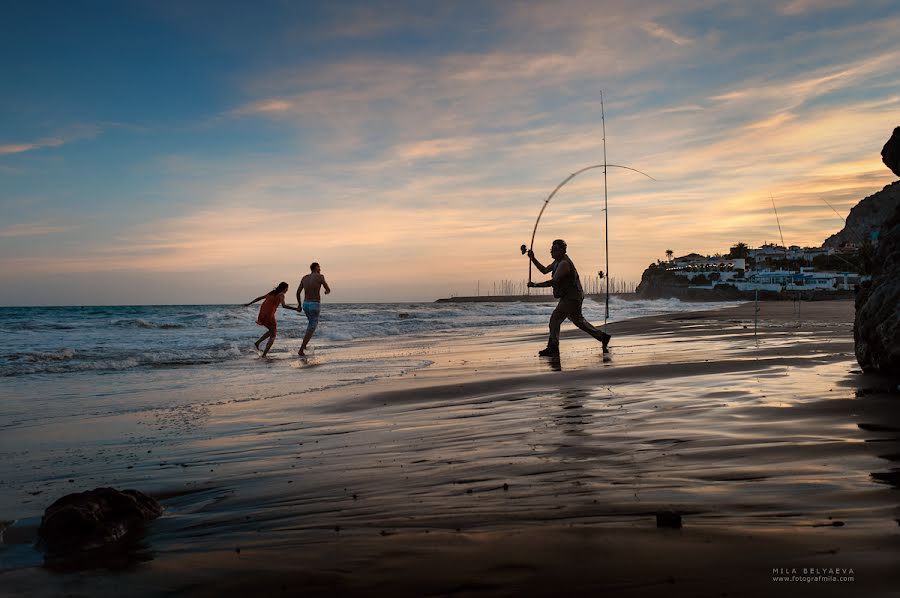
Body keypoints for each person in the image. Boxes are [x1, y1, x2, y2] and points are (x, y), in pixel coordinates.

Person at [527, 239, 611, 357]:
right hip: (571, 296)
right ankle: (602, 337)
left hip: (572, 297)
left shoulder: (564, 264)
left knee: (555, 319)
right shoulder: (557, 262)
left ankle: (553, 347)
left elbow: (553, 281)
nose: (552, 252)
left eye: (555, 250)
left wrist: (535, 285)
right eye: (551, 250)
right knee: (579, 321)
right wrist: (533, 258)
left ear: (562, 251)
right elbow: (544, 270)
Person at [245, 282, 296, 357]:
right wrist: (296, 309)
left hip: (262, 313)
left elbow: (260, 298)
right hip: (269, 315)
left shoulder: (272, 293)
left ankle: (257, 343)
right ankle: (264, 354)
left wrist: (249, 303)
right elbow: (284, 306)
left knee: (271, 331)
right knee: (273, 335)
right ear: (285, 288)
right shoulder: (281, 294)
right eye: (287, 288)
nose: (287, 290)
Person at [296, 262, 331, 356]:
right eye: (319, 267)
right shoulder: (320, 276)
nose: (320, 269)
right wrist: (326, 291)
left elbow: (298, 292)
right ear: (316, 268)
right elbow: (328, 289)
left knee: (310, 325)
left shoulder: (304, 278)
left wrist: (299, 305)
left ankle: (304, 344)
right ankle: (301, 348)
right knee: (311, 327)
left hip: (305, 304)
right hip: (314, 304)